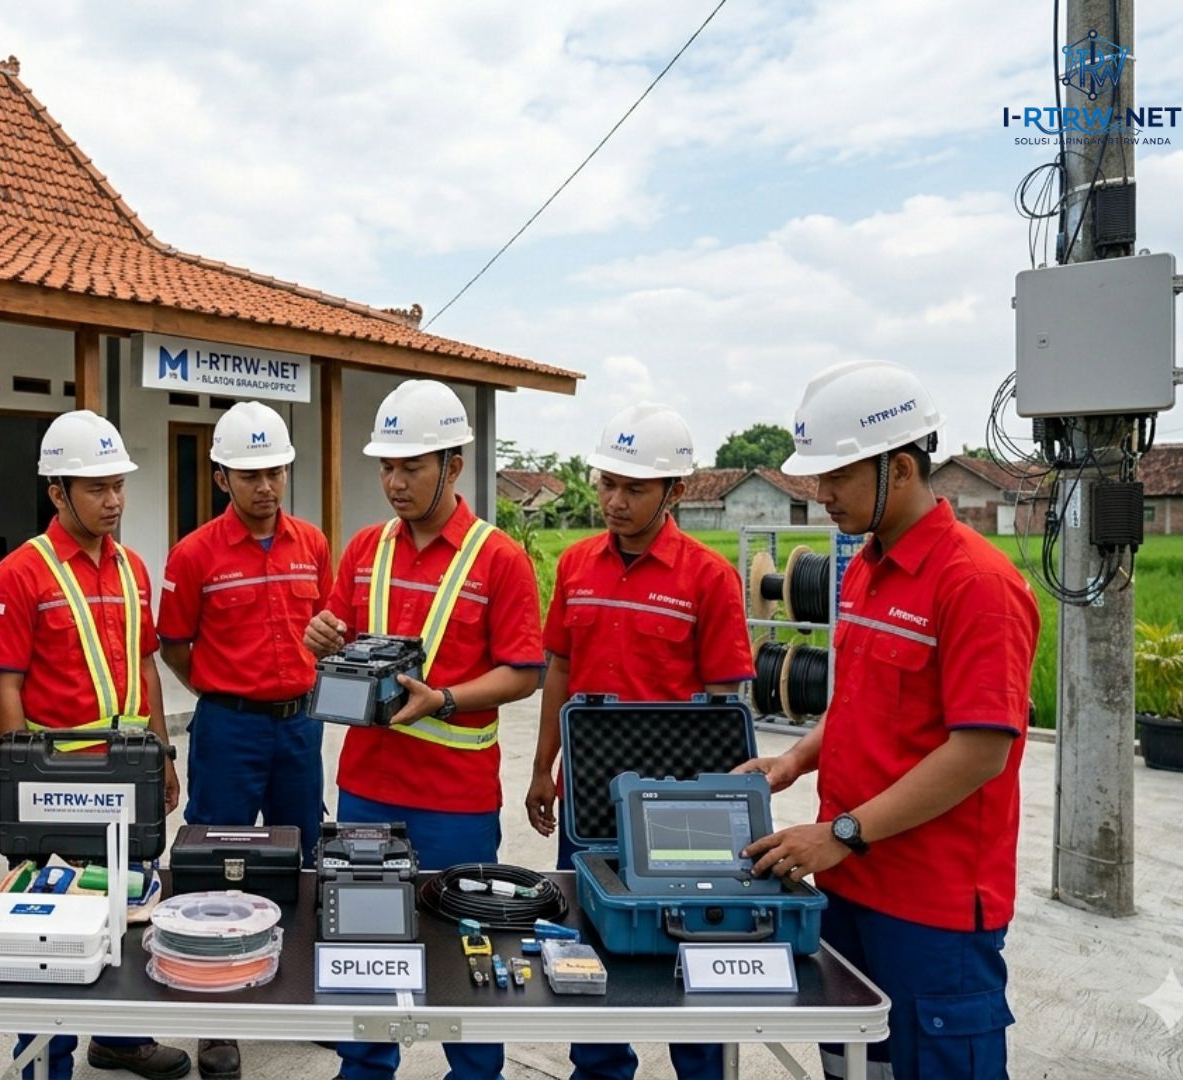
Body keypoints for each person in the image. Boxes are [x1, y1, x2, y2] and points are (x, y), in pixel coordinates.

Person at [736, 360, 1039, 1080]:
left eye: (836, 476)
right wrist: (795, 761)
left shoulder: (976, 584)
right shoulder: (865, 568)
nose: (822, 495)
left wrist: (842, 832)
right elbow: (861, 703)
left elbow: (979, 752)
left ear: (899, 469)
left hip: (928, 911)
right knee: (854, 1070)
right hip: (848, 889)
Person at [302, 379, 544, 1080]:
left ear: (454, 466)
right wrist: (321, 638)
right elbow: (341, 644)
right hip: (367, 787)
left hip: (456, 798)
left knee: (465, 947)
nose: (395, 481)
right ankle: (366, 1065)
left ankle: (473, 1071)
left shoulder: (498, 558)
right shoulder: (365, 550)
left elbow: (523, 671)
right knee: (362, 942)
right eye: (387, 466)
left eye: (412, 466)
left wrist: (441, 698)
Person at [524, 402, 754, 1080]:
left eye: (633, 489)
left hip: (678, 808)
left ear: (674, 492)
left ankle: (700, 1069)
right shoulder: (574, 567)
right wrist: (543, 770)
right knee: (589, 941)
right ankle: (598, 1068)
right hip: (590, 801)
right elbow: (559, 668)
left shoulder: (708, 578)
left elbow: (722, 706)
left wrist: (725, 811)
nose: (614, 501)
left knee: (689, 942)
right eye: (606, 484)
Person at [0, 409, 190, 1080]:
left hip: (128, 775)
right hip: (55, 782)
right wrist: (18, 780)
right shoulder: (19, 574)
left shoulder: (131, 567)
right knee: (48, 916)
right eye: (97, 488)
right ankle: (43, 1060)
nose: (114, 501)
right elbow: (5, 683)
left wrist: (162, 752)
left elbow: (146, 665)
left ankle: (120, 1039)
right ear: (57, 493)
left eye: (118, 486)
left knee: (129, 905)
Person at [157, 401, 331, 1080]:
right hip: (228, 726)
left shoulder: (312, 544)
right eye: (250, 473)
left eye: (276, 471)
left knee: (304, 860)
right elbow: (173, 645)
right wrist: (220, 690)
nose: (266, 485)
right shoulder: (195, 553)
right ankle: (216, 1019)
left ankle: (300, 997)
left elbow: (326, 629)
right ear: (222, 476)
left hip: (299, 725)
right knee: (216, 863)